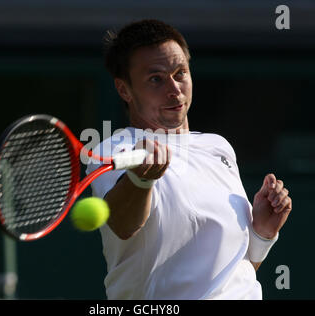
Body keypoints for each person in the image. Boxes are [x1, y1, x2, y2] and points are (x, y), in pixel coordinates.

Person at [86, 19, 292, 299]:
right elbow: (123, 225)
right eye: (155, 79)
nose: (174, 89)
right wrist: (140, 178)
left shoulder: (218, 147)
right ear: (124, 89)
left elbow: (237, 272)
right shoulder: (112, 152)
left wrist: (262, 233)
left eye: (180, 73)